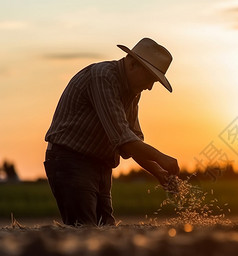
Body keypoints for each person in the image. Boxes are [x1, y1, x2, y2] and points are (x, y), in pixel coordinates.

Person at [44, 38, 179, 226]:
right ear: (132, 64)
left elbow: (133, 140)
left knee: (106, 228)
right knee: (85, 230)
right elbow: (124, 140)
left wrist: (159, 172)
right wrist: (162, 158)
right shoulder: (103, 78)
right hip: (71, 162)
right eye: (150, 79)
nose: (149, 87)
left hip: (100, 166)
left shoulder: (132, 92)